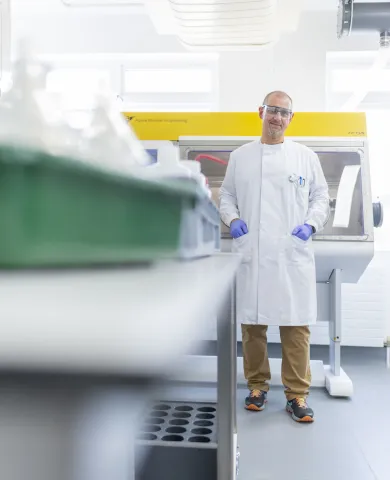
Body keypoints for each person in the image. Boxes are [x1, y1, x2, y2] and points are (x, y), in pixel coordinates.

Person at [219, 91, 329, 423]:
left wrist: (310, 225)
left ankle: (297, 395)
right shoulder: (241, 156)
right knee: (253, 327)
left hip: (291, 254)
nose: (277, 117)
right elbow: (226, 194)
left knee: (296, 328)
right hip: (253, 251)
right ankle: (257, 387)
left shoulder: (305, 156)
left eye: (284, 113)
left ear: (291, 119)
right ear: (261, 112)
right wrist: (233, 219)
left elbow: (321, 196)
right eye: (272, 111)